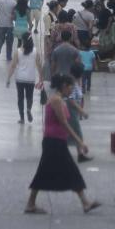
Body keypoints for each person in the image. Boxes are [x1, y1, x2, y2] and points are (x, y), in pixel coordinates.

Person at [23, 73, 101, 215]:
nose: (72, 90)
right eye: (71, 87)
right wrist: (80, 142)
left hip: (56, 141)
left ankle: (85, 203)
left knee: (64, 171)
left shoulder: (59, 99)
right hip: (53, 142)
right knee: (53, 172)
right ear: (64, 86)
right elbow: (64, 123)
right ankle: (31, 204)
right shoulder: (56, 100)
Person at [7, 34, 41, 123]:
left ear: (23, 40)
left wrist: (8, 78)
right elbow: (39, 66)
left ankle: (22, 118)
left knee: (20, 98)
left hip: (20, 78)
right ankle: (29, 109)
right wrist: (41, 78)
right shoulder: (35, 51)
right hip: (31, 78)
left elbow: (13, 66)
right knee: (29, 97)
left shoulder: (18, 51)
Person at [67, 63, 92, 162]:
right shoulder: (72, 84)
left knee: (73, 133)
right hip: (72, 112)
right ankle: (80, 154)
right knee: (77, 133)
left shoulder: (74, 83)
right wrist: (82, 112)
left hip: (74, 112)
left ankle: (80, 154)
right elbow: (71, 100)